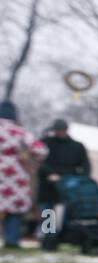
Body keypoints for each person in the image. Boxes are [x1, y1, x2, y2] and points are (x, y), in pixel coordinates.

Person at [0, 101, 48, 249]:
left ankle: (47, 234)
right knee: (15, 210)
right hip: (16, 176)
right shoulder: (21, 132)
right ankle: (12, 240)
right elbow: (41, 151)